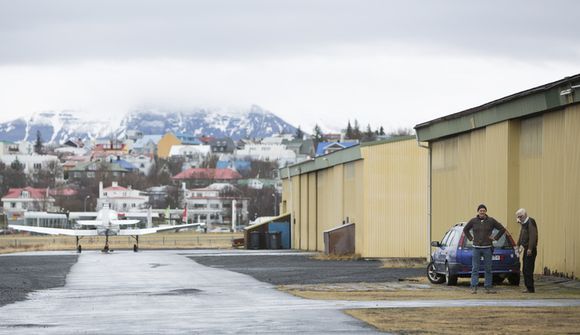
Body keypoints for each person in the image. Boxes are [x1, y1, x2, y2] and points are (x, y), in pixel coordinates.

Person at [463, 204, 506, 294]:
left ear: (486, 211)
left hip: (487, 248)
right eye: (480, 210)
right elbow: (465, 229)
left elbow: (502, 229)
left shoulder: (491, 221)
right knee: (475, 268)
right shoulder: (473, 221)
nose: (482, 212)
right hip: (476, 248)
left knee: (488, 268)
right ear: (478, 211)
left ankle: (488, 287)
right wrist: (471, 238)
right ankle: (474, 287)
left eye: (483, 210)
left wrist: (495, 237)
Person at [515, 208, 538, 293]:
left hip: (530, 249)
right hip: (526, 249)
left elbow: (533, 235)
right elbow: (521, 235)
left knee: (528, 269)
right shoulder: (524, 224)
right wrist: (518, 244)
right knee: (525, 269)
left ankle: (530, 288)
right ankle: (528, 287)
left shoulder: (531, 222)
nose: (518, 218)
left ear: (524, 215)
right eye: (518, 217)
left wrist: (530, 248)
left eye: (520, 216)